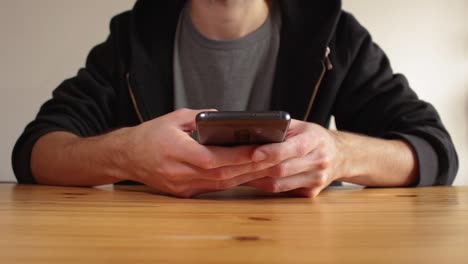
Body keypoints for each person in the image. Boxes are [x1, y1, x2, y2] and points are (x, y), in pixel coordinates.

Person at [12, 0, 458, 198]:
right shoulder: (134, 35)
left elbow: (434, 150)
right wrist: (126, 155)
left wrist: (339, 154)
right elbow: (37, 151)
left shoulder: (335, 34)